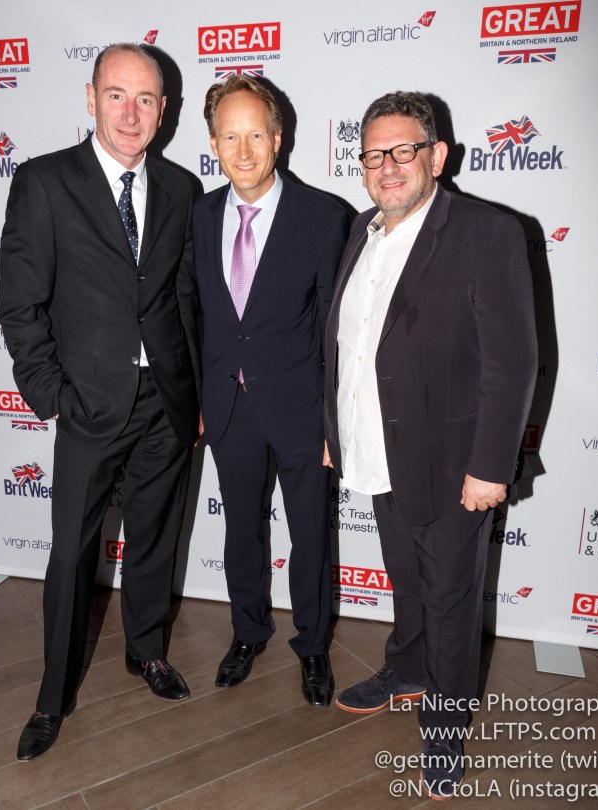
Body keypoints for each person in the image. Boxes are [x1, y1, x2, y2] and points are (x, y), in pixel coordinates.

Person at [323, 91, 537, 798]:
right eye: (373, 154)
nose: (387, 166)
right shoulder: (360, 229)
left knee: (449, 601)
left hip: (453, 467)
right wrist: (336, 433)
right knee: (404, 581)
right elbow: (350, 347)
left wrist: (487, 467)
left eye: (403, 150)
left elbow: (512, 363)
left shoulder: (487, 232)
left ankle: (443, 731)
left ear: (436, 156)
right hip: (377, 452)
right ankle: (405, 668)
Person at [0, 43, 200, 761]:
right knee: (70, 556)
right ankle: (52, 696)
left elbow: (182, 300)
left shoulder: (180, 189)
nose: (130, 113)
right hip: (87, 403)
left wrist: (192, 390)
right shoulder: (44, 181)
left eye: (145, 99)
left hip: (165, 405)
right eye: (117, 95)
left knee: (153, 540)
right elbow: (20, 303)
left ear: (163, 111)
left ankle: (144, 651)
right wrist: (53, 396)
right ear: (90, 99)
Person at [193, 76, 349, 706]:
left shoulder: (324, 216)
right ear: (213, 144)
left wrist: (334, 425)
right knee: (240, 529)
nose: (244, 149)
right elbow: (197, 314)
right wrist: (199, 397)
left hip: (302, 410)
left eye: (256, 133)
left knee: (310, 534)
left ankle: (311, 645)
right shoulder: (200, 216)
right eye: (230, 136)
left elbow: (337, 333)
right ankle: (247, 630)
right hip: (228, 406)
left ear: (278, 138)